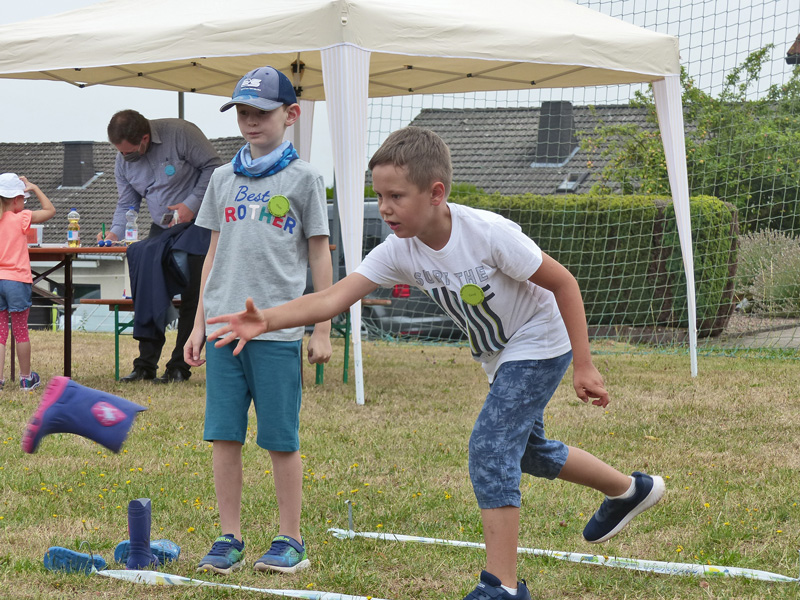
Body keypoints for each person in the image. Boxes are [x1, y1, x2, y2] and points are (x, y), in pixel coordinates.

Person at [205, 127, 666, 599]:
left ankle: (502, 586)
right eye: (378, 195)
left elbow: (564, 284)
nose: (384, 207)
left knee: (490, 447)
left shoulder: (487, 234)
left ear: (436, 193)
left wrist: (584, 366)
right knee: (525, 451)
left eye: (396, 196)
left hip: (540, 339)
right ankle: (630, 490)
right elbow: (332, 298)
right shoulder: (398, 250)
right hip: (498, 352)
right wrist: (265, 320)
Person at [184, 66, 332, 576]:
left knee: (279, 438)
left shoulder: (306, 178)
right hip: (224, 329)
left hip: (277, 329)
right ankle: (229, 537)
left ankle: (290, 538)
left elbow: (319, 255)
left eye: (261, 113)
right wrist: (198, 324)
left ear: (290, 115)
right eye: (243, 113)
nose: (251, 122)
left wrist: (321, 326)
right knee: (224, 436)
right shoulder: (222, 179)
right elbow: (212, 255)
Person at [103, 109, 223, 384]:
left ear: (145, 138)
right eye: (120, 152)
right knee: (148, 283)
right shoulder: (123, 161)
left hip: (200, 223)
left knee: (195, 291)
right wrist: (114, 233)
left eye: (130, 153)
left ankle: (179, 366)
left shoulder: (181, 134)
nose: (125, 158)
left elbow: (215, 168)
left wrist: (191, 205)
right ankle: (145, 365)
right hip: (163, 227)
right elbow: (127, 203)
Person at [0, 173, 56, 391]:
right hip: (17, 280)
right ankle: (26, 378)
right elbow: (50, 211)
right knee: (21, 330)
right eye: (23, 197)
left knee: (0, 332)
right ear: (16, 199)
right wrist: (34, 187)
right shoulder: (21, 217)